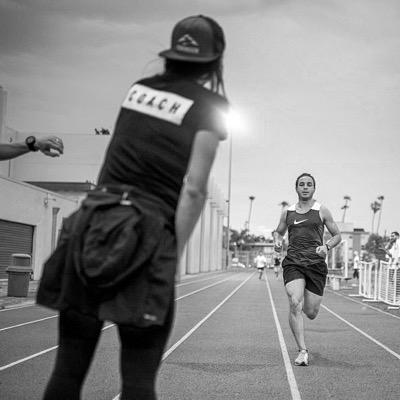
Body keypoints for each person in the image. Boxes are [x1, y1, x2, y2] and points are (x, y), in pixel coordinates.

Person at [36, 15, 229, 400]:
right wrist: (172, 257)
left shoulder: (139, 89)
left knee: (68, 369)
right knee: (139, 379)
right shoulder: (210, 104)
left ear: (171, 54)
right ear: (214, 60)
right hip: (144, 231)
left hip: (92, 222)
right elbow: (193, 189)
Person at [273, 173, 342, 366]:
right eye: (301, 184)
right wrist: (278, 242)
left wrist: (326, 247)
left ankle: (305, 299)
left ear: (314, 188)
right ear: (296, 188)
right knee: (295, 302)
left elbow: (337, 235)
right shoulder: (288, 212)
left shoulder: (322, 211)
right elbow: (278, 232)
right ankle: (302, 351)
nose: (305, 187)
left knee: (311, 312)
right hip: (293, 262)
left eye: (309, 184)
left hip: (315, 265)